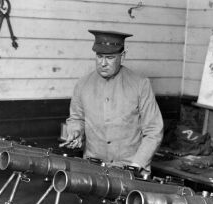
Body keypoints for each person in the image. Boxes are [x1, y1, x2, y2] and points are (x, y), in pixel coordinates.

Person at [63, 29, 163, 178]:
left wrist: (136, 165)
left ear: (122, 57)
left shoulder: (141, 85)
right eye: (99, 56)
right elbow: (76, 119)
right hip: (92, 169)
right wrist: (75, 132)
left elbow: (154, 131)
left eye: (109, 57)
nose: (103, 63)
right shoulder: (82, 84)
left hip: (131, 169)